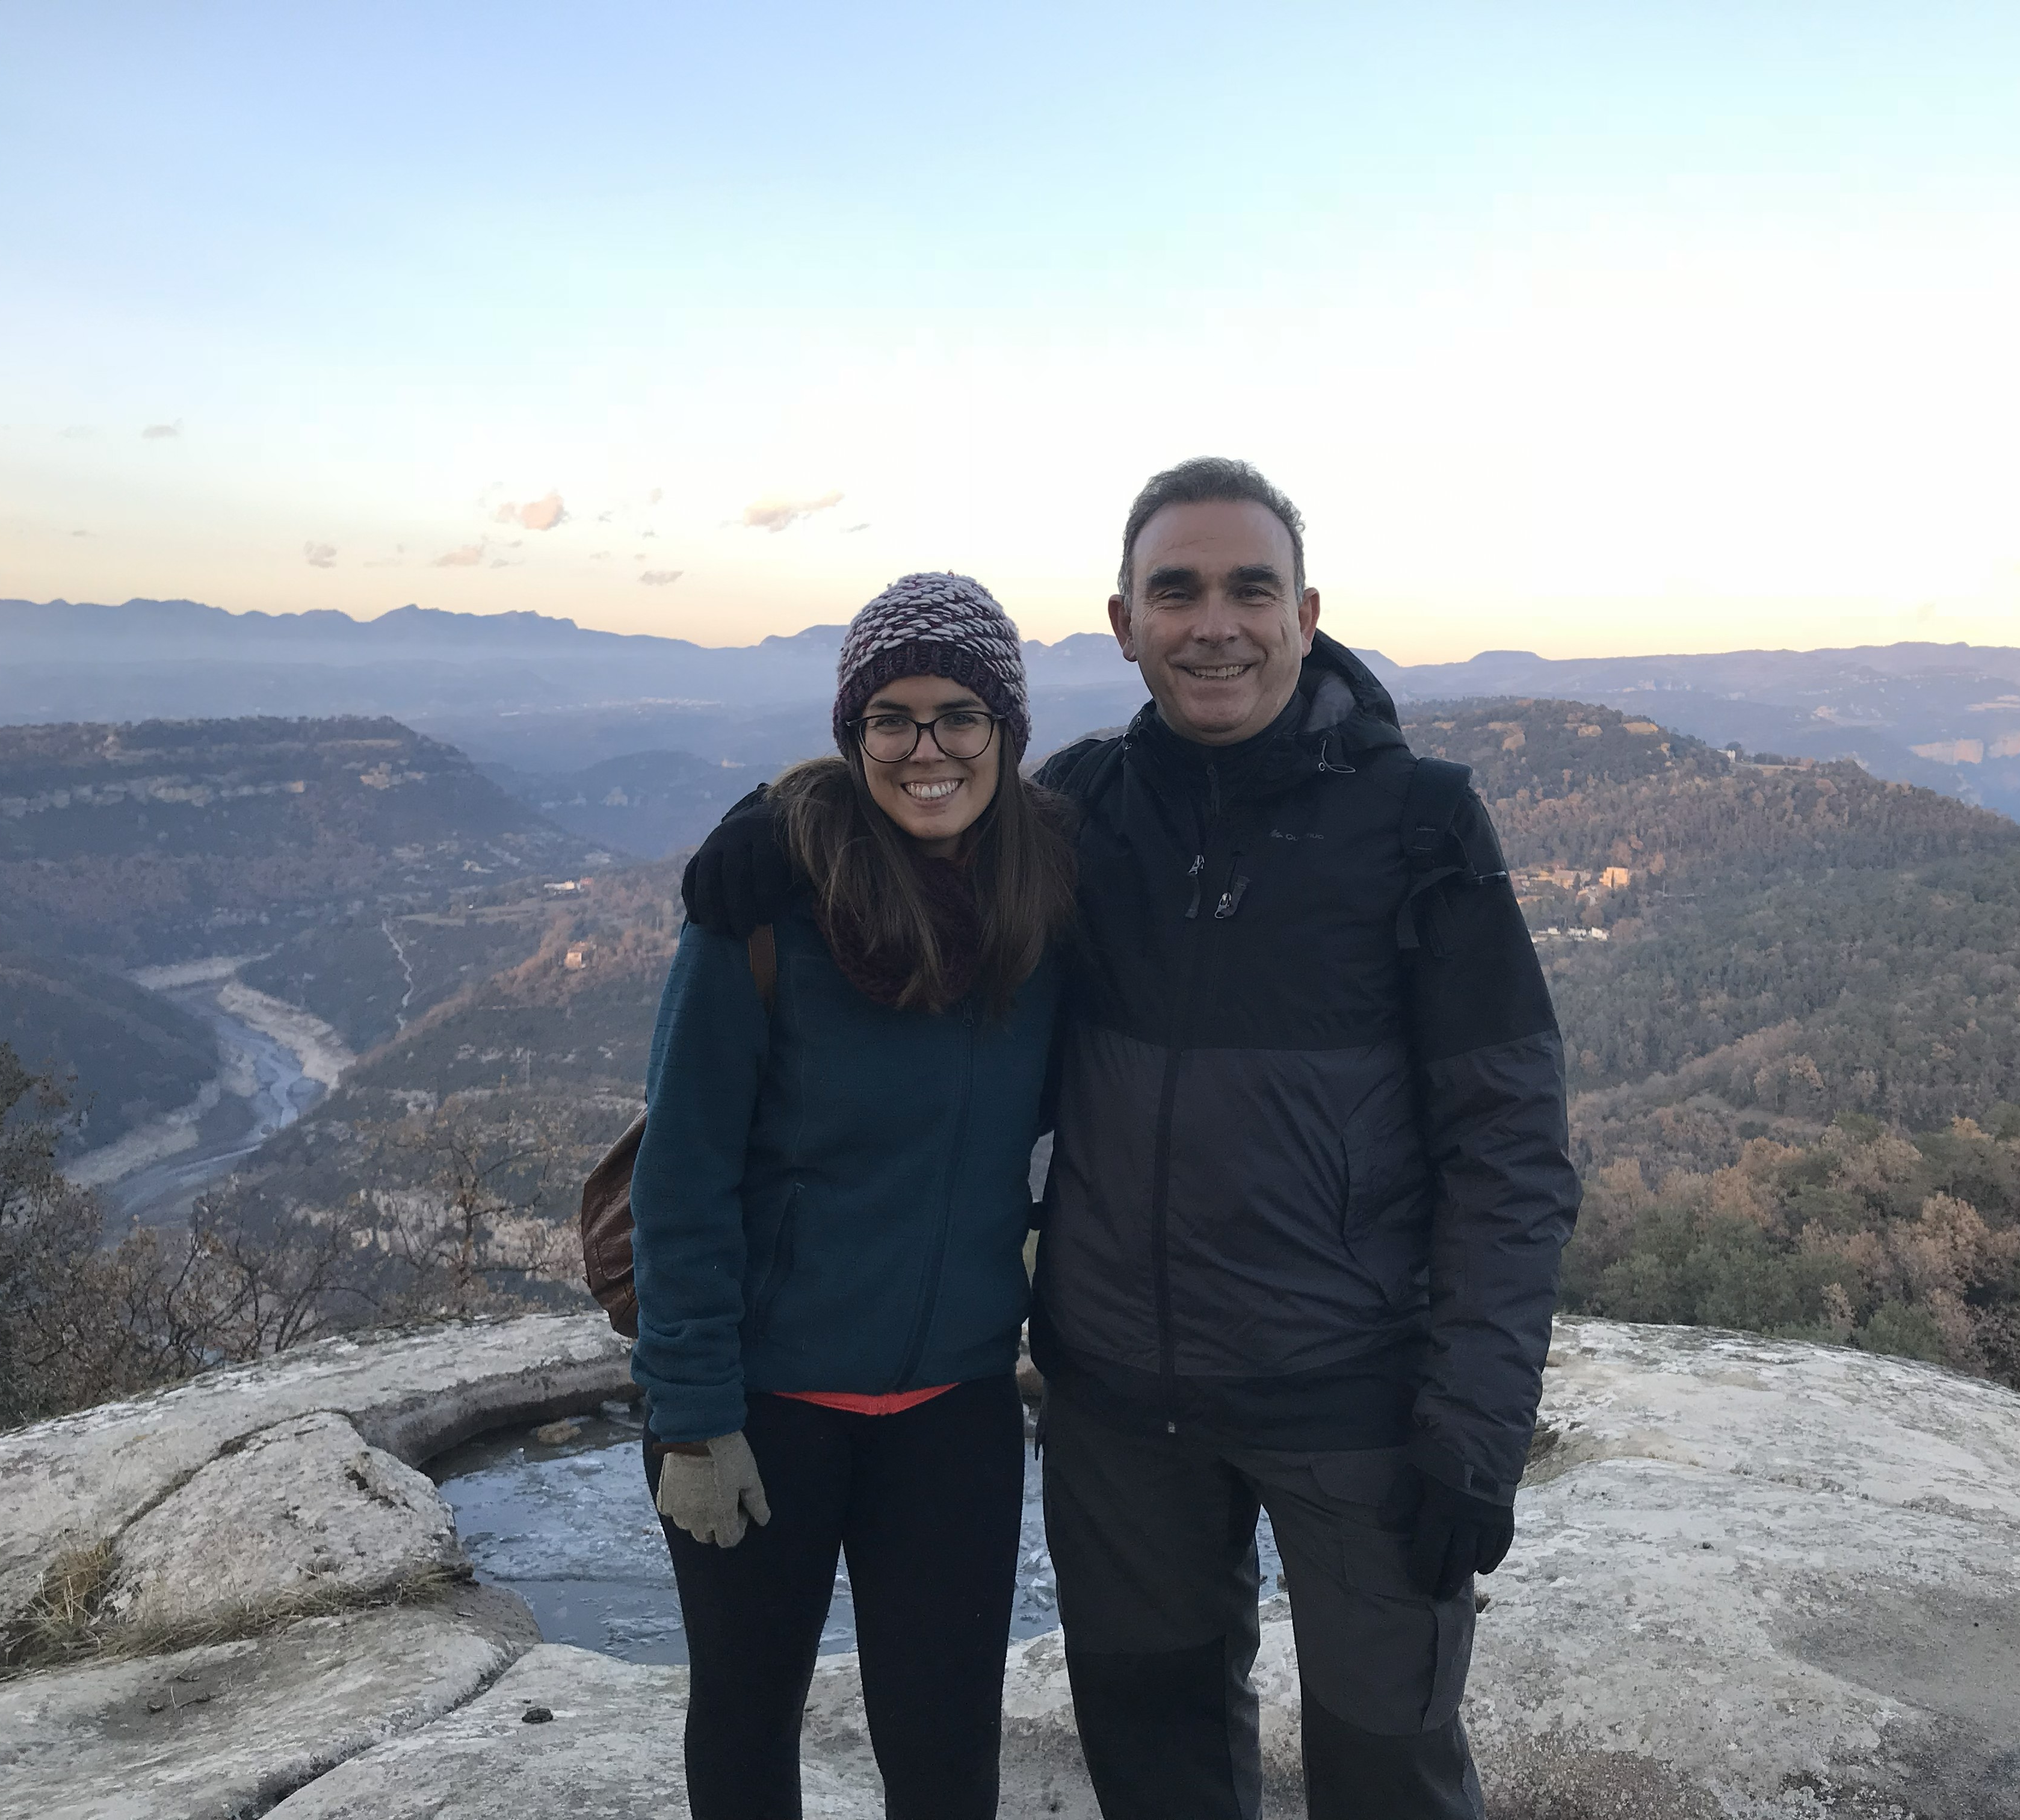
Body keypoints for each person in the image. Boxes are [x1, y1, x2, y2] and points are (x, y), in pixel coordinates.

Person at [683, 461, 1580, 1820]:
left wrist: (1478, 1423)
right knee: (1156, 1772)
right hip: (1121, 1417)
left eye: (1247, 588)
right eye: (1178, 590)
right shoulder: (1081, 815)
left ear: (1307, 609)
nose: (1212, 621)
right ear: (1123, 621)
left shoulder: (1421, 828)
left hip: (1350, 1404)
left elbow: (1511, 1147)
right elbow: (930, 811)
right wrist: (777, 827)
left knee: (1386, 1768)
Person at [632, 572, 1076, 1820]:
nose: (927, 748)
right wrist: (691, 1414)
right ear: (852, 736)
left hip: (955, 1413)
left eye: (960, 716)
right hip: (764, 1408)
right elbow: (684, 1173)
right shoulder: (764, 914)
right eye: (892, 717)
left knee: (944, 1751)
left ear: (1008, 732)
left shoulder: (1040, 904)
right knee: (746, 1723)